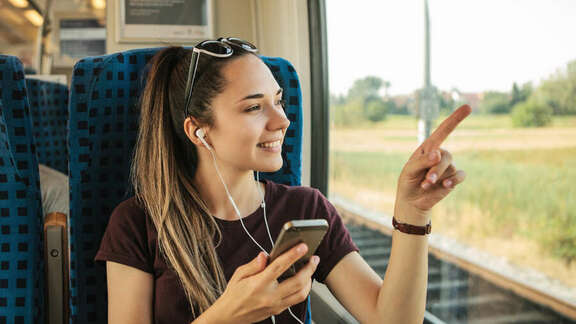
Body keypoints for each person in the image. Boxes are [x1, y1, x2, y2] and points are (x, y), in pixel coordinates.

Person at [95, 38, 470, 324]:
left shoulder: (306, 208)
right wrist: (225, 316)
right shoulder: (138, 223)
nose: (282, 121)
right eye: (254, 107)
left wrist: (413, 211)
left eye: (279, 101)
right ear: (198, 130)